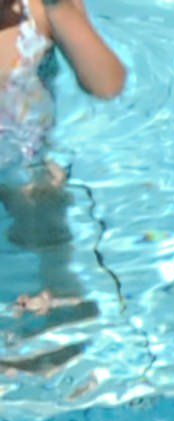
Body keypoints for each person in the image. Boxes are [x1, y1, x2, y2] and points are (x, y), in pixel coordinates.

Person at [0, 0, 125, 361]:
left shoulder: (41, 11)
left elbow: (107, 85)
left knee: (43, 196)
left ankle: (56, 288)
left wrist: (60, 12)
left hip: (24, 162)